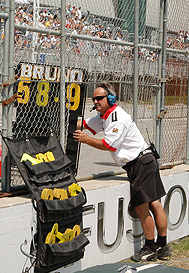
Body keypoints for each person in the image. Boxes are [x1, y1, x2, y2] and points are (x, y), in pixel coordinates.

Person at [73, 83, 171, 262]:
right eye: (94, 98)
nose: (95, 101)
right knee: (155, 203)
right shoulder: (104, 116)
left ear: (110, 98)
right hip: (143, 162)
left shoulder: (117, 117)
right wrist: (66, 119)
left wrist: (86, 140)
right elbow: (83, 124)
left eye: (99, 98)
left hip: (141, 163)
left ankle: (151, 246)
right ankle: (163, 246)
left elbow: (109, 145)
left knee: (143, 207)